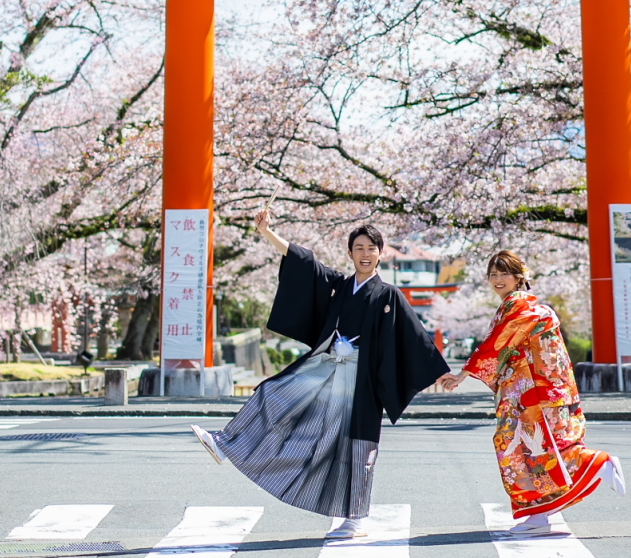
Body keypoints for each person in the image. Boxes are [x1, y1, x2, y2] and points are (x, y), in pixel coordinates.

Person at [192, 211, 449, 537]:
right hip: (325, 367)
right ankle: (226, 442)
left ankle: (354, 518)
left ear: (381, 253)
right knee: (272, 393)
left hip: (361, 382)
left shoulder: (389, 296)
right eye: (358, 247)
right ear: (350, 253)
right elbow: (305, 264)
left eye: (371, 248)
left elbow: (413, 339)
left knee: (355, 446)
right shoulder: (341, 287)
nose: (365, 253)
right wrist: (268, 233)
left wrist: (439, 373)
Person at [440, 249, 625, 534]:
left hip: (534, 393)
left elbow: (496, 344)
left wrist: (463, 374)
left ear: (518, 278)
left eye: (504, 274)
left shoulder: (519, 306)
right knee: (533, 449)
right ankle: (540, 514)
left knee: (531, 446)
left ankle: (598, 464)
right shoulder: (524, 306)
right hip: (537, 389)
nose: (498, 280)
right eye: (493, 274)